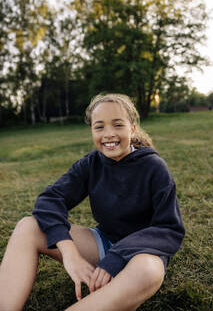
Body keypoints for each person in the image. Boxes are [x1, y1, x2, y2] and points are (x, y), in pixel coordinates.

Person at [0, 93, 185, 311]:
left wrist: (116, 259)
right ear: (92, 131)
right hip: (103, 244)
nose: (109, 134)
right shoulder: (91, 164)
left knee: (147, 271)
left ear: (132, 128)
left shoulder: (154, 167)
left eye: (117, 125)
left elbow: (169, 229)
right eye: (99, 127)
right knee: (28, 227)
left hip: (143, 254)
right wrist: (70, 254)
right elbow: (49, 201)